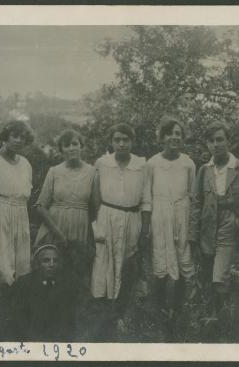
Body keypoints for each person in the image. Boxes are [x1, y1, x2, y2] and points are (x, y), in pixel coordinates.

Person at [90, 123, 151, 329]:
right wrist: (97, 223)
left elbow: (146, 199)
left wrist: (144, 229)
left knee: (127, 263)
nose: (122, 144)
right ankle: (104, 309)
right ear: (111, 142)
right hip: (107, 215)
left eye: (126, 140)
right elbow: (96, 196)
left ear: (132, 142)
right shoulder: (102, 163)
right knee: (105, 260)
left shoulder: (142, 165)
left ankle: (122, 310)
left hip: (132, 217)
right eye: (117, 140)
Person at [189, 122, 239, 317]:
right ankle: (211, 317)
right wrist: (193, 235)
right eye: (211, 141)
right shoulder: (204, 170)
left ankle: (220, 319)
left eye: (220, 139)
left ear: (229, 142)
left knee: (220, 275)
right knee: (207, 273)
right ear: (207, 145)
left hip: (229, 223)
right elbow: (196, 203)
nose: (216, 144)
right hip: (207, 226)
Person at [146, 117, 196, 316]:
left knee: (183, 256)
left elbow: (192, 194)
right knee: (160, 256)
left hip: (181, 214)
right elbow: (147, 195)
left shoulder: (188, 163)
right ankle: (159, 307)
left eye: (178, 134)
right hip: (159, 215)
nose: (174, 137)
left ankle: (178, 306)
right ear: (162, 137)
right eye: (170, 133)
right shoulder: (152, 163)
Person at [34, 129, 95, 287]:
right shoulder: (54, 172)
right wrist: (58, 232)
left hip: (79, 228)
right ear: (61, 150)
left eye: (75, 143)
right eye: (66, 145)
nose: (72, 148)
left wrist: (92, 236)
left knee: (74, 276)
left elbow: (96, 207)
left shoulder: (93, 172)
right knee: (50, 272)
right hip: (55, 228)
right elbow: (40, 206)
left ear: (81, 146)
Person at [0, 120, 34, 286]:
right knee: (2, 262)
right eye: (14, 136)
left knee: (22, 261)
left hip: (21, 213)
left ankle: (19, 301)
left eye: (23, 137)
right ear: (5, 137)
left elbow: (26, 196)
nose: (18, 140)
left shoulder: (25, 164)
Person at [10, 244, 76, 341]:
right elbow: (18, 320)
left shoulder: (67, 284)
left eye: (55, 261)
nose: (52, 264)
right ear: (37, 264)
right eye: (46, 260)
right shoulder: (24, 284)